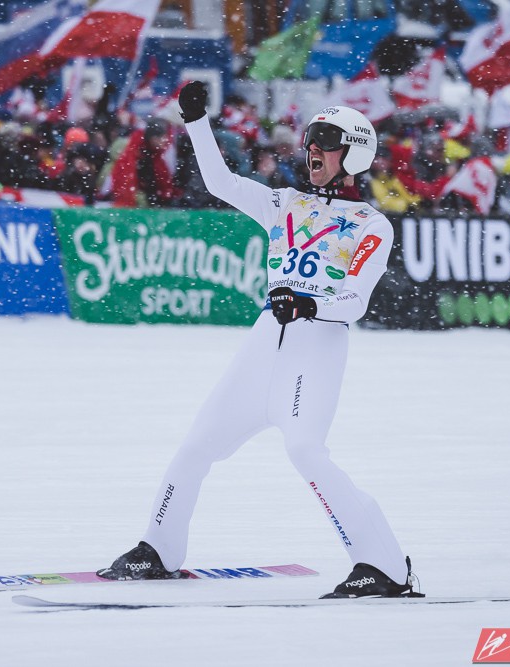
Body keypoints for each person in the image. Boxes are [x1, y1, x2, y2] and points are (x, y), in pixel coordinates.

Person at [97, 81, 421, 599]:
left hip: (316, 344)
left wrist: (311, 305)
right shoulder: (283, 202)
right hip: (265, 339)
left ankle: (384, 566)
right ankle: (158, 549)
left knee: (306, 451)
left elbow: (355, 300)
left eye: (327, 142)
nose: (313, 149)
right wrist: (197, 122)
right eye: (311, 139)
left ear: (355, 155)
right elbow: (220, 182)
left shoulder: (370, 224)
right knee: (196, 446)